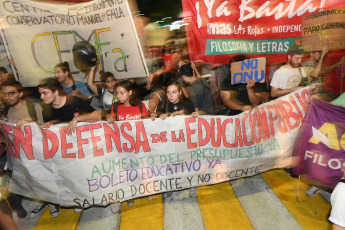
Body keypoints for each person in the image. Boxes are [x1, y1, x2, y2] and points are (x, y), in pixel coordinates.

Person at [106, 79, 149, 213]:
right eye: (117, 93)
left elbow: (148, 123)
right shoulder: (116, 107)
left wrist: (152, 117)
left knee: (140, 169)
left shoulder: (140, 105)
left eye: (122, 93)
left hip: (139, 146)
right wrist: (109, 118)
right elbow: (110, 120)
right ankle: (129, 195)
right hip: (123, 148)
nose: (119, 96)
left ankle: (144, 189)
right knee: (126, 172)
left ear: (130, 92)